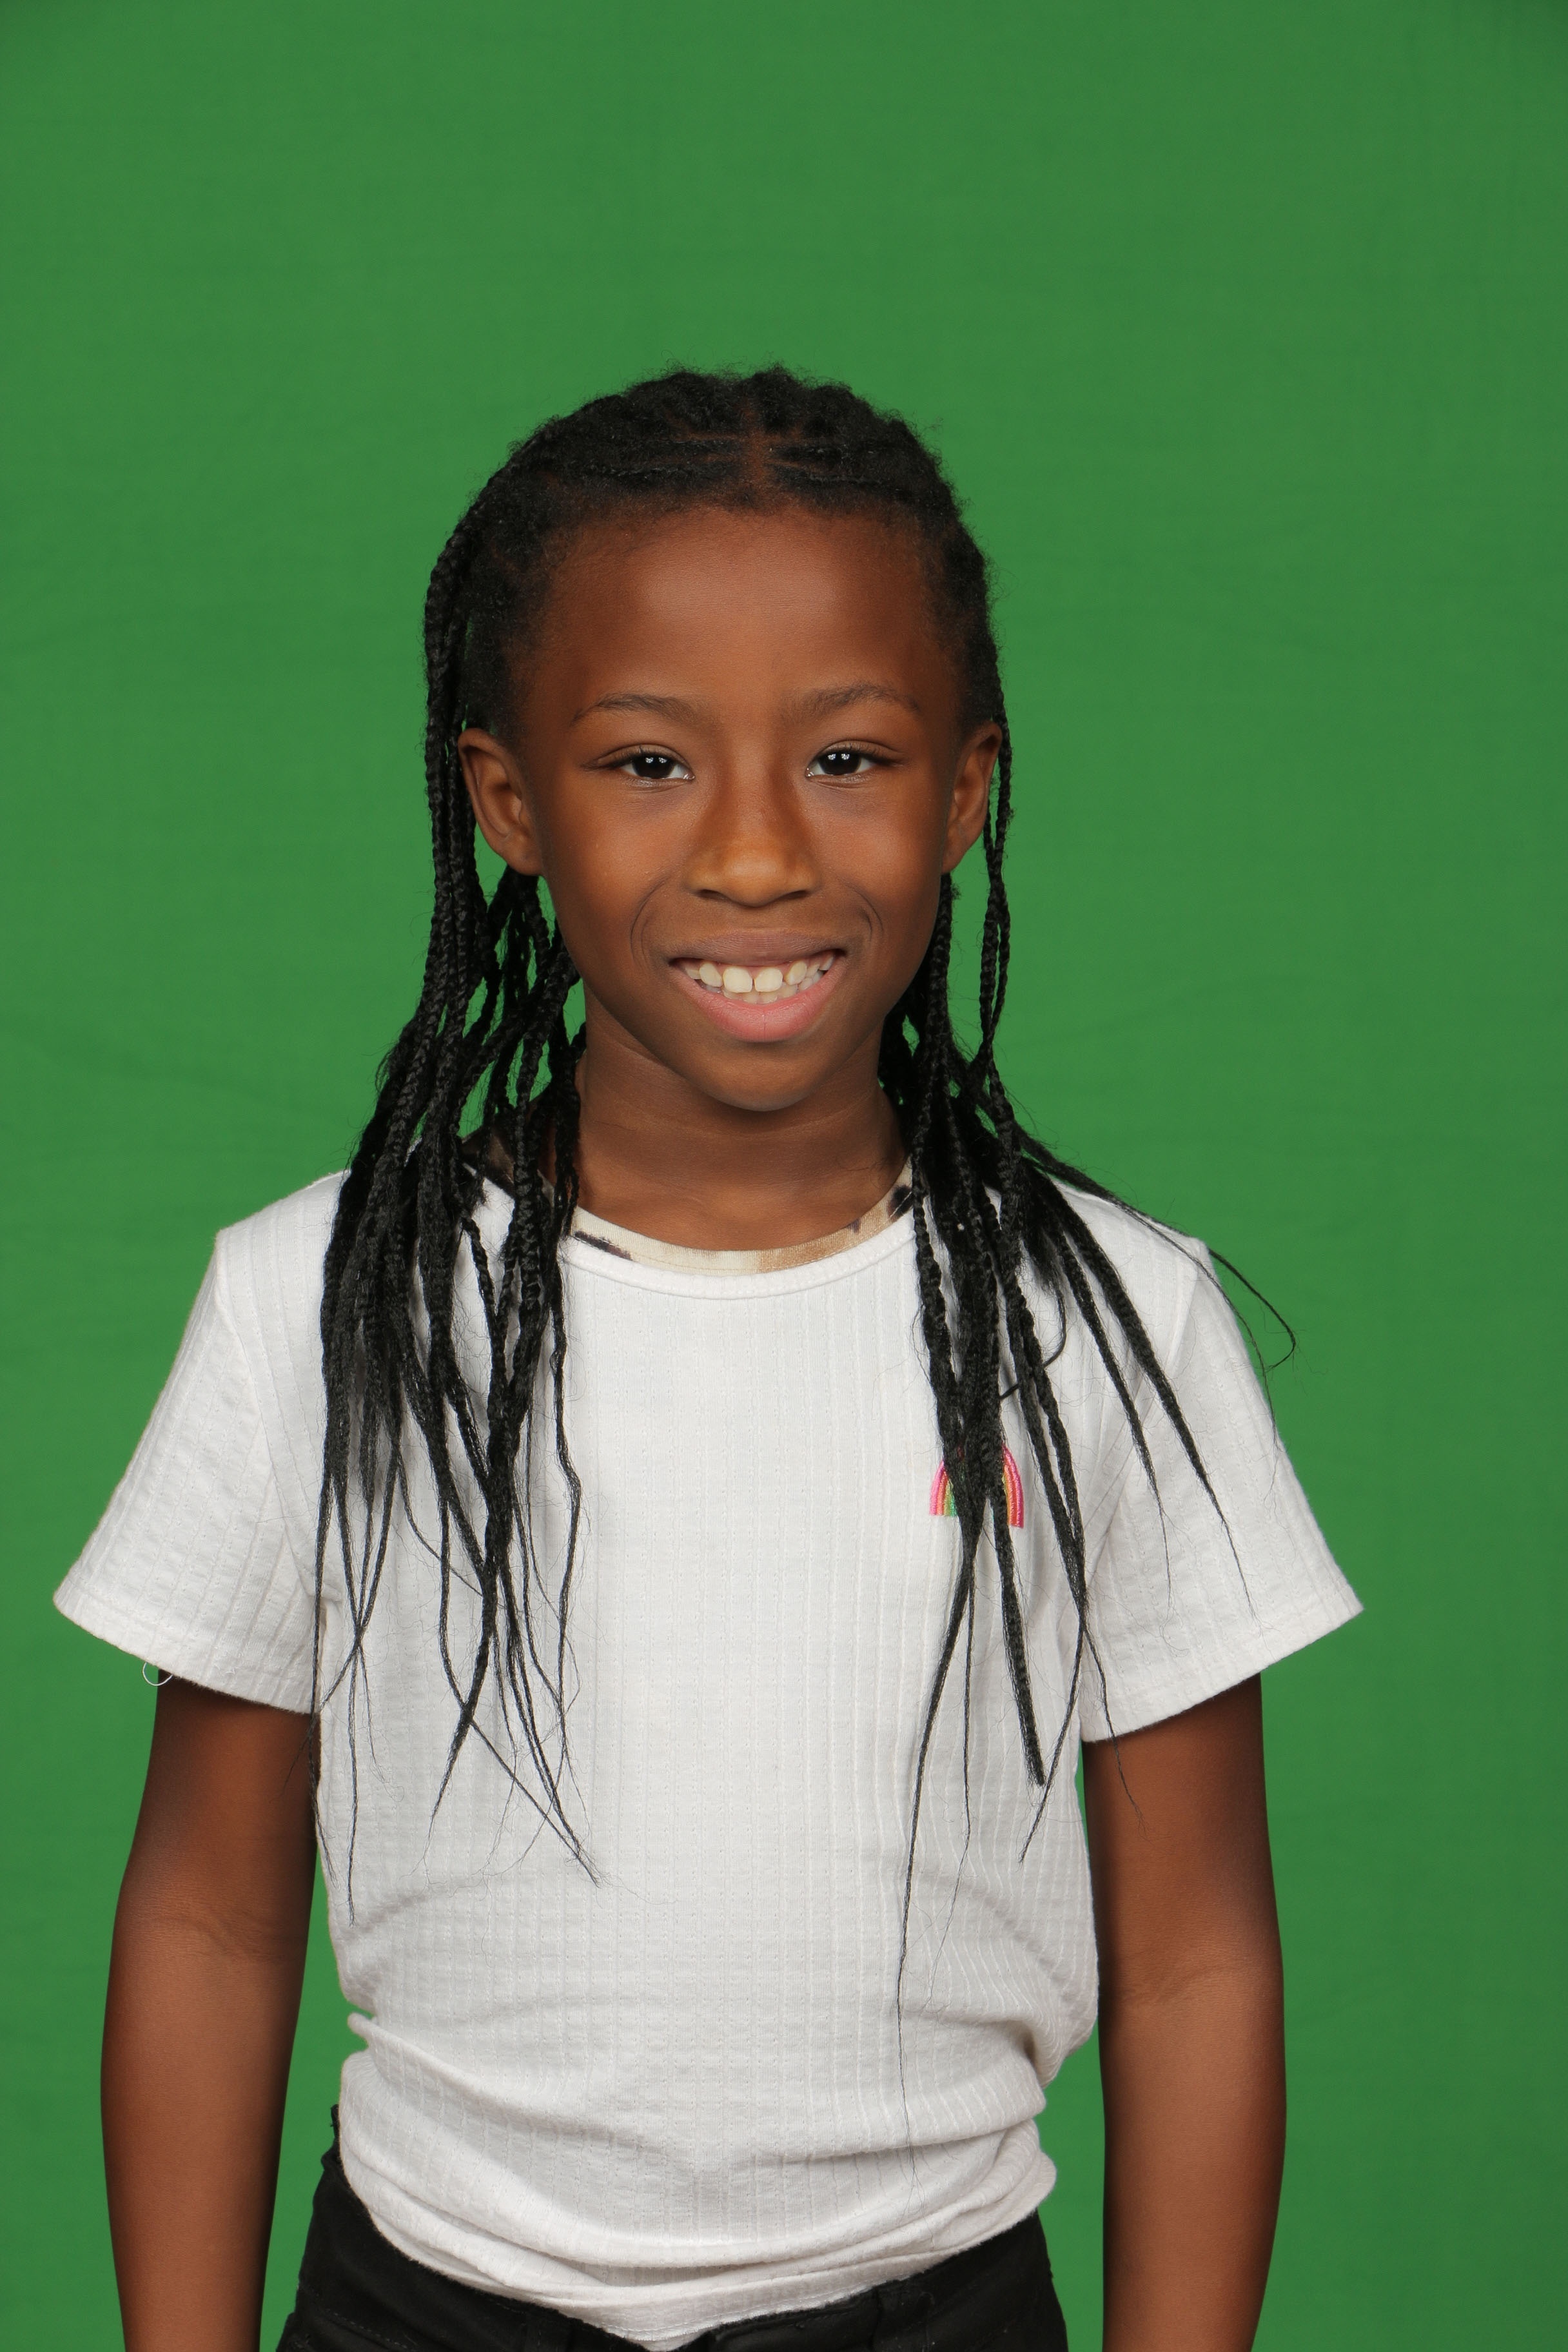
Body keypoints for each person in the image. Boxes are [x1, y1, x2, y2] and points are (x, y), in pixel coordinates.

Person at [57, 367, 1359, 2352]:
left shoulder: (1109, 1320)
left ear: (969, 789)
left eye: (848, 757)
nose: (757, 854)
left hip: (935, 2307)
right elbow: (212, 1921)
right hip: (426, 2305)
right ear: (509, 802)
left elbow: (1191, 1963)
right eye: (651, 762)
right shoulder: (320, 1301)